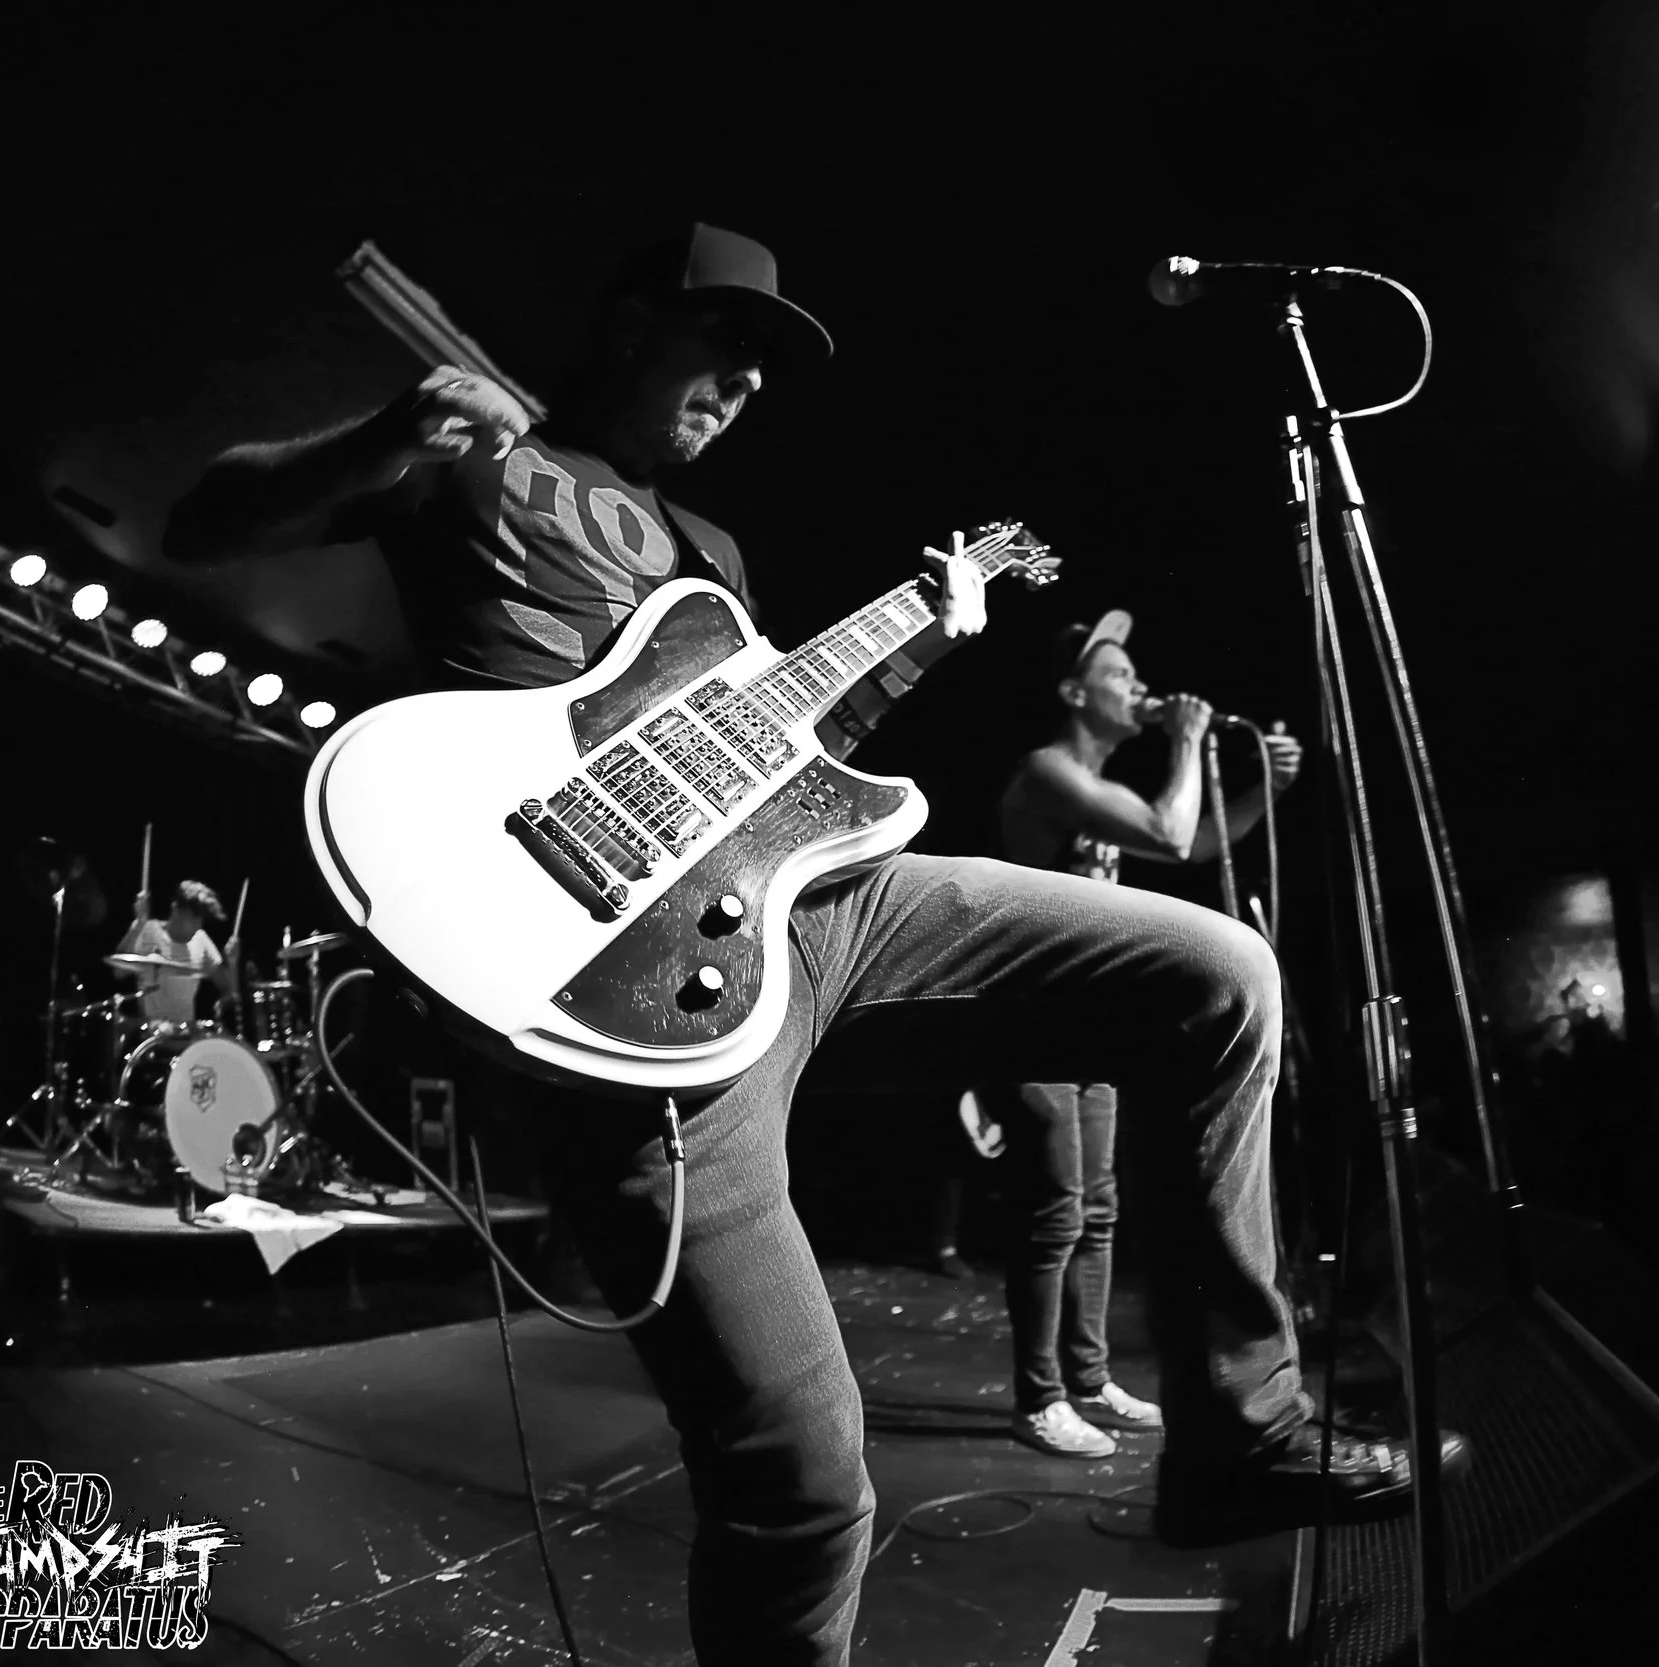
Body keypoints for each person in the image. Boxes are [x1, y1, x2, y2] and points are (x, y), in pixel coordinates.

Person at [164, 223, 1456, 1667]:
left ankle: (1241, 1429)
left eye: (766, 368)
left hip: (810, 909)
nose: (747, 385)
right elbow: (204, 520)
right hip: (615, 972)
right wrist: (385, 436)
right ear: (631, 320)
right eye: (727, 344)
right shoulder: (477, 456)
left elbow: (782, 758)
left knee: (1218, 976)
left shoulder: (710, 559)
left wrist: (931, 633)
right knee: (803, 1481)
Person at [983, 611, 1303, 1459]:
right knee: (1055, 1211)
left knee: (1098, 1210)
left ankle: (1088, 1380)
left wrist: (1262, 792)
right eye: (1119, 675)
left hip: (1091, 1028)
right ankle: (1039, 1397)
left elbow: (1194, 841)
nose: (1140, 687)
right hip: (1030, 1021)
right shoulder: (1050, 769)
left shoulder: (1104, 789)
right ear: (1073, 691)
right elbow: (1170, 828)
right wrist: (1189, 742)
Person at [110, 879, 234, 1025]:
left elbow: (228, 989)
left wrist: (233, 962)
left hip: (186, 1032)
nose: (198, 925)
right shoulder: (149, 931)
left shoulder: (200, 939)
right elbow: (118, 972)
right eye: (192, 918)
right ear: (175, 909)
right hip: (151, 1033)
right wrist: (137, 925)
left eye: (200, 919)